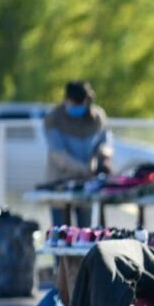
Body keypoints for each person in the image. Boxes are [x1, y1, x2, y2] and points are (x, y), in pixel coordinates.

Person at [44, 80, 113, 227]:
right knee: (61, 236)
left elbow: (105, 141)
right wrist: (85, 169)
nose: (77, 107)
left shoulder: (97, 117)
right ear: (66, 100)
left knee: (85, 234)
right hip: (60, 184)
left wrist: (103, 157)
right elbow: (59, 155)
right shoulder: (53, 118)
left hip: (86, 186)